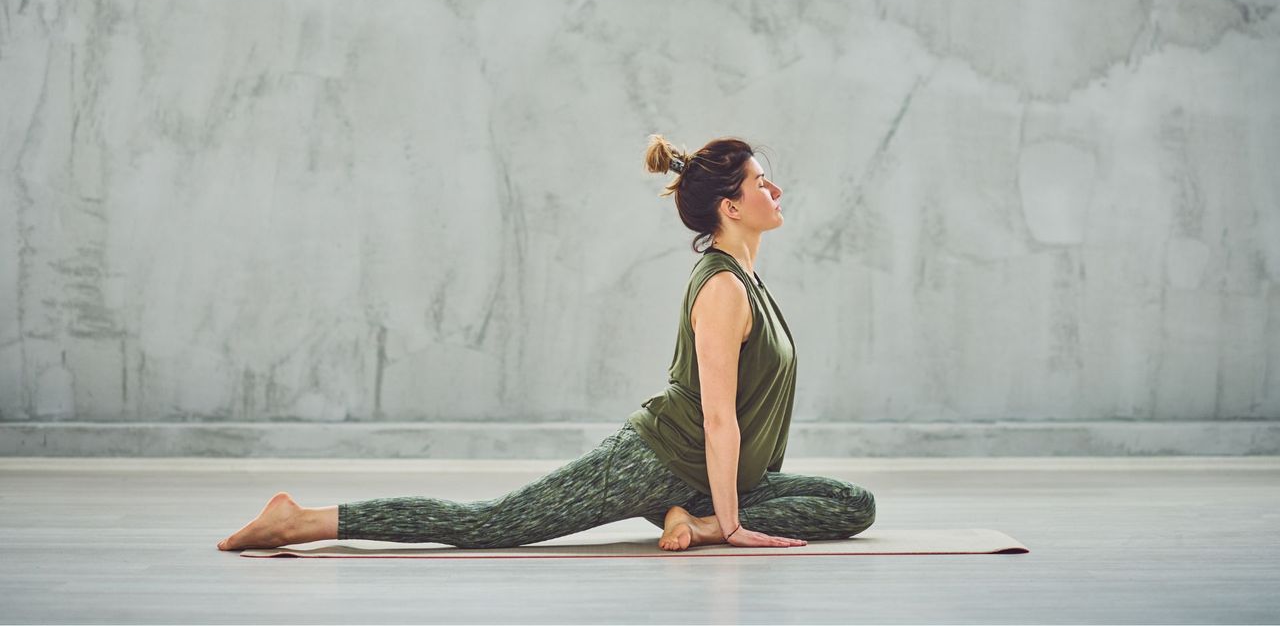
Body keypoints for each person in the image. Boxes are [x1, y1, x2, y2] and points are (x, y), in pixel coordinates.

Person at [217, 134, 875, 552]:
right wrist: (733, 527)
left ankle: (690, 518)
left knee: (854, 504)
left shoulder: (750, 282)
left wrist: (719, 516)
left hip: (711, 483)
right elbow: (717, 415)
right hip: (655, 460)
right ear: (731, 207)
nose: (775, 189)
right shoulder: (723, 289)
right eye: (763, 182)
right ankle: (302, 519)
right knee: (487, 525)